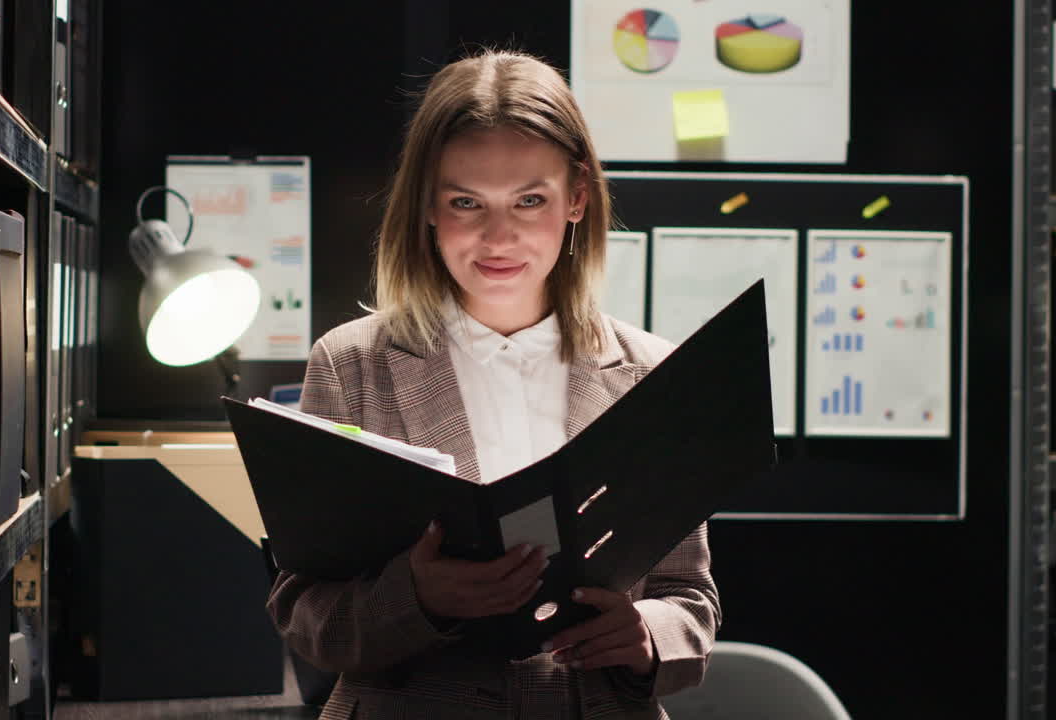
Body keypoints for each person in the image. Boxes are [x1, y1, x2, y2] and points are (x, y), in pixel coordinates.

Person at [267, 49, 719, 719]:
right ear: (426, 206)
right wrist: (416, 596)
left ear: (578, 198)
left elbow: (691, 599)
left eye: (529, 200)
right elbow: (304, 611)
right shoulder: (350, 365)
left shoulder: (653, 374)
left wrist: (648, 633)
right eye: (465, 202)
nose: (498, 236)